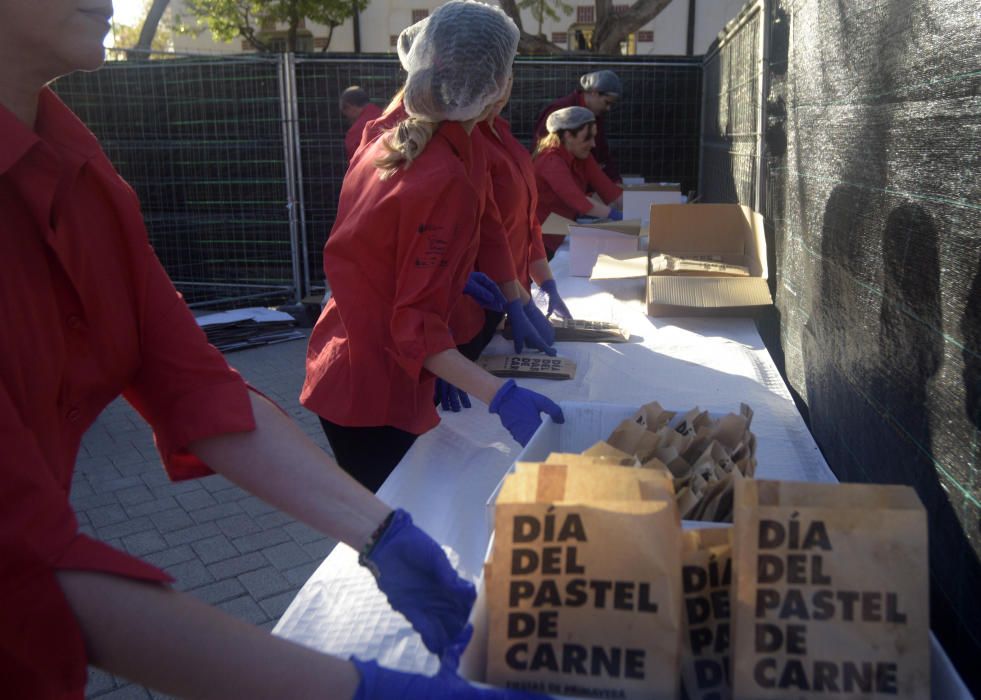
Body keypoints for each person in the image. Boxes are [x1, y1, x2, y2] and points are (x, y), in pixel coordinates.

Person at [0, 2, 546, 698]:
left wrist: (382, 535)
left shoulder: (79, 167)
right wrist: (356, 687)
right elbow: (25, 565)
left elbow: (194, 384)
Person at [301, 2, 564, 493]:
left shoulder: (388, 137)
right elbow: (414, 327)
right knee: (407, 523)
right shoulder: (444, 174)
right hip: (374, 386)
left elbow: (372, 250)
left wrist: (456, 278)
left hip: (346, 361)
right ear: (495, 86)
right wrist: (499, 394)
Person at [533, 106, 624, 258]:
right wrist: (617, 216)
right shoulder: (550, 160)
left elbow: (609, 191)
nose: (593, 144)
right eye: (587, 138)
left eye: (594, 137)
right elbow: (578, 201)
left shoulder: (582, 155)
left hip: (561, 233)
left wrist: (642, 215)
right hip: (541, 241)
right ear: (568, 135)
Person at [533, 69, 622, 181]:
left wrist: (615, 179)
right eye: (607, 102)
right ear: (594, 92)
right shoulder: (560, 110)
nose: (608, 108)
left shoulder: (596, 115)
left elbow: (602, 154)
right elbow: (542, 147)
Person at [340, 85, 382, 163]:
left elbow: (355, 164)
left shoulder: (354, 132)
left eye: (345, 114)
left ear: (350, 107)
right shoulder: (386, 115)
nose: (347, 118)